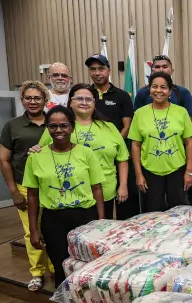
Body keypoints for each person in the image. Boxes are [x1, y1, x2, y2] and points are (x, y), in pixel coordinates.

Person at [23, 105, 105, 303]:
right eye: (53, 126)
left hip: (85, 217)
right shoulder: (35, 157)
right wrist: (34, 229)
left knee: (88, 267)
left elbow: (97, 189)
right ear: (47, 129)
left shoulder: (86, 153)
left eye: (64, 125)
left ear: (72, 127)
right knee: (61, 270)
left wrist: (102, 222)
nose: (58, 130)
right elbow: (32, 195)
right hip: (53, 220)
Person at [36, 84, 129, 220]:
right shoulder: (59, 127)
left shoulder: (109, 127)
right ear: (70, 102)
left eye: (88, 99)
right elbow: (41, 152)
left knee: (100, 230)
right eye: (79, 98)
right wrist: (35, 149)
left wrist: (123, 185)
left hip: (105, 191)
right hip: (69, 194)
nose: (84, 102)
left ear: (95, 103)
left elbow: (122, 158)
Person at [0, 81, 53, 291]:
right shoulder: (13, 126)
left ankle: (54, 267)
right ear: (22, 100)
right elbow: (4, 160)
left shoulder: (54, 121)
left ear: (45, 100)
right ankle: (37, 272)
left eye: (37, 98)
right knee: (32, 230)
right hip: (25, 186)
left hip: (53, 186)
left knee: (53, 229)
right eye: (28, 98)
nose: (33, 101)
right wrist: (14, 191)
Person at [129, 71, 192, 212]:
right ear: (149, 90)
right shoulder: (139, 114)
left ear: (170, 91)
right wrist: (139, 175)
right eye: (154, 86)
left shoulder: (181, 112)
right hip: (150, 171)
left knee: (179, 212)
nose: (158, 90)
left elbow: (189, 142)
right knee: (152, 213)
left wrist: (189, 172)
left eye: (163, 87)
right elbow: (135, 145)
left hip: (177, 170)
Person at [85, 53, 139, 219]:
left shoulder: (122, 96)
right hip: (93, 157)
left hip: (118, 155)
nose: (97, 73)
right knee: (98, 205)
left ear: (109, 70)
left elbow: (127, 126)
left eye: (101, 68)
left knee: (125, 202)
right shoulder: (85, 95)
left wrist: (114, 147)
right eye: (93, 69)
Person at [134, 55, 192, 121]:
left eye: (165, 67)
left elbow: (190, 123)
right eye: (157, 67)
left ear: (172, 71)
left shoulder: (183, 93)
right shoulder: (142, 93)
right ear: (152, 71)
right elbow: (137, 119)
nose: (161, 70)